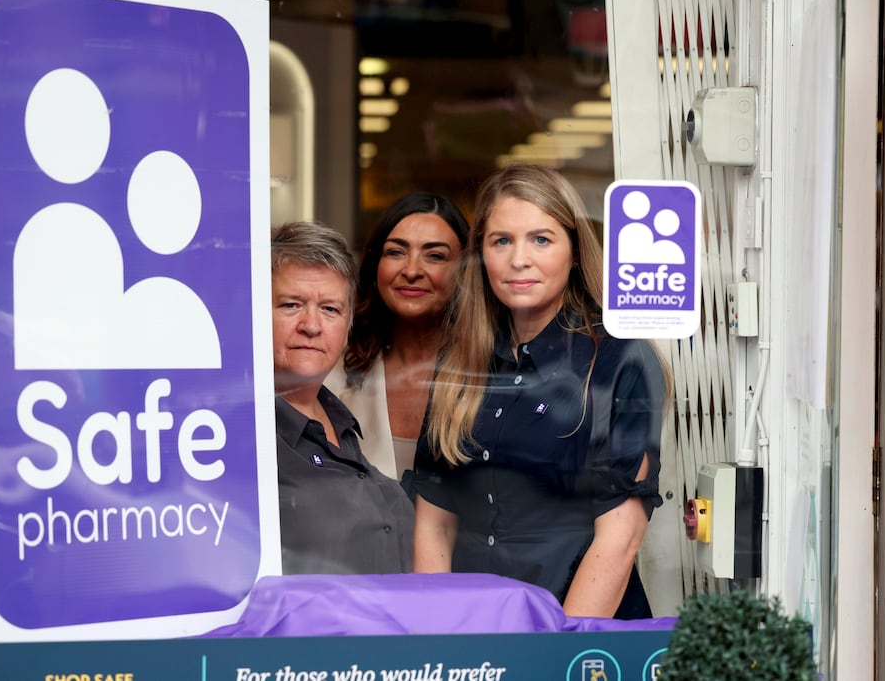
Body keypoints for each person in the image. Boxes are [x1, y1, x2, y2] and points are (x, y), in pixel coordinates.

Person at [412, 165, 668, 619]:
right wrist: (439, 633)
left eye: (541, 239)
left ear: (573, 253)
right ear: (481, 255)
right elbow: (434, 523)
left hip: (576, 640)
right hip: (474, 633)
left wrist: (554, 656)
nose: (519, 259)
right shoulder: (460, 360)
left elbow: (620, 539)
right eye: (502, 240)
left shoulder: (620, 359)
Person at [272, 221, 414, 575]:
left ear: (349, 325)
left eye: (330, 309)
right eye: (291, 305)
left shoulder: (342, 423)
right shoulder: (239, 439)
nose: (312, 325)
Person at [326, 193, 469, 481]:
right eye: (396, 252)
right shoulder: (330, 371)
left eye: (435, 256)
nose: (412, 270)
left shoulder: (491, 373)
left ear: (466, 273)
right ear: (375, 264)